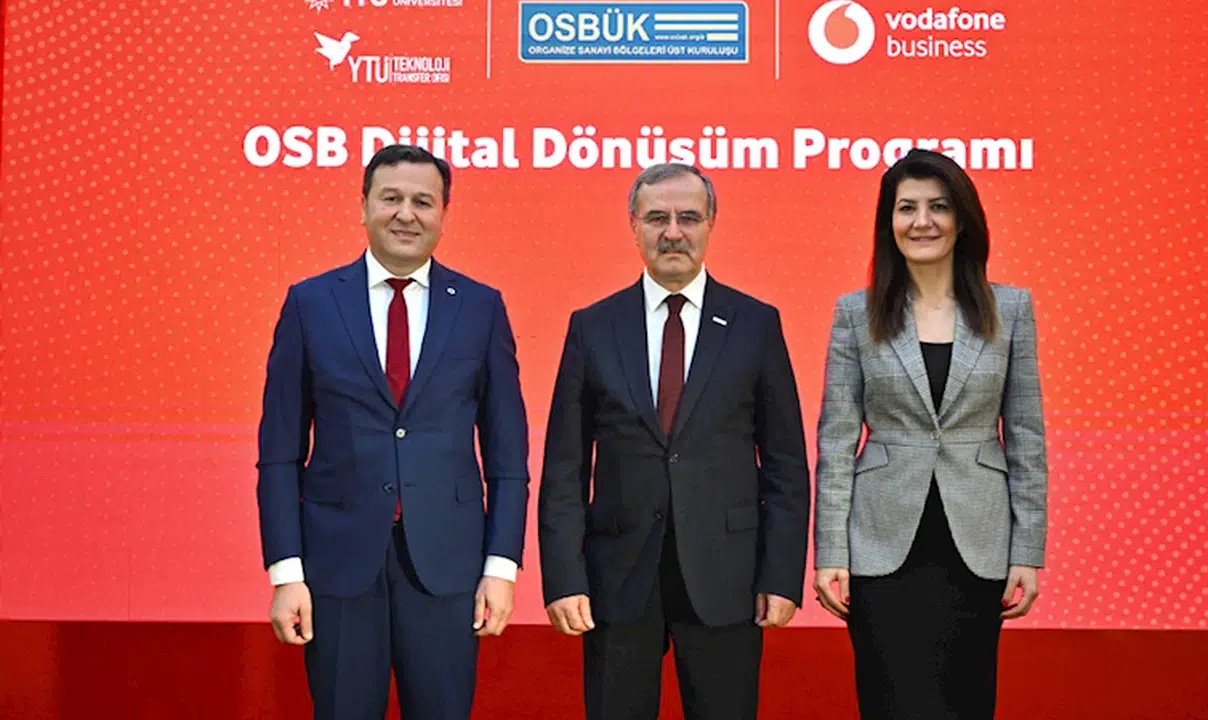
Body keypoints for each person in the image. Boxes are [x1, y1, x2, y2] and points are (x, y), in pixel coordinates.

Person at [255, 144, 530, 720]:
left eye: (423, 202)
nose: (407, 214)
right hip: (337, 566)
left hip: (447, 567)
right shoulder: (310, 304)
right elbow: (279, 454)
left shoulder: (481, 308)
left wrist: (501, 567)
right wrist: (286, 573)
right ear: (363, 207)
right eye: (391, 199)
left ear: (443, 214)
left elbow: (507, 457)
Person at [537, 163, 811, 720]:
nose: (673, 232)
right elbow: (565, 465)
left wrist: (782, 576)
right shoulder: (592, 327)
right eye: (657, 218)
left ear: (711, 224)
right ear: (633, 225)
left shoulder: (756, 324)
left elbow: (785, 464)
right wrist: (564, 578)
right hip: (616, 578)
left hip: (727, 577)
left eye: (688, 217)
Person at [812, 148, 1048, 719]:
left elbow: (1026, 434)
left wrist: (1028, 550)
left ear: (962, 220)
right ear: (888, 222)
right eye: (907, 208)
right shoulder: (856, 313)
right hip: (881, 545)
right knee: (892, 702)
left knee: (966, 703)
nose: (922, 222)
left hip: (977, 544)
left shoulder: (1010, 308)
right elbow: (836, 440)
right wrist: (830, 551)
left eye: (938, 207)